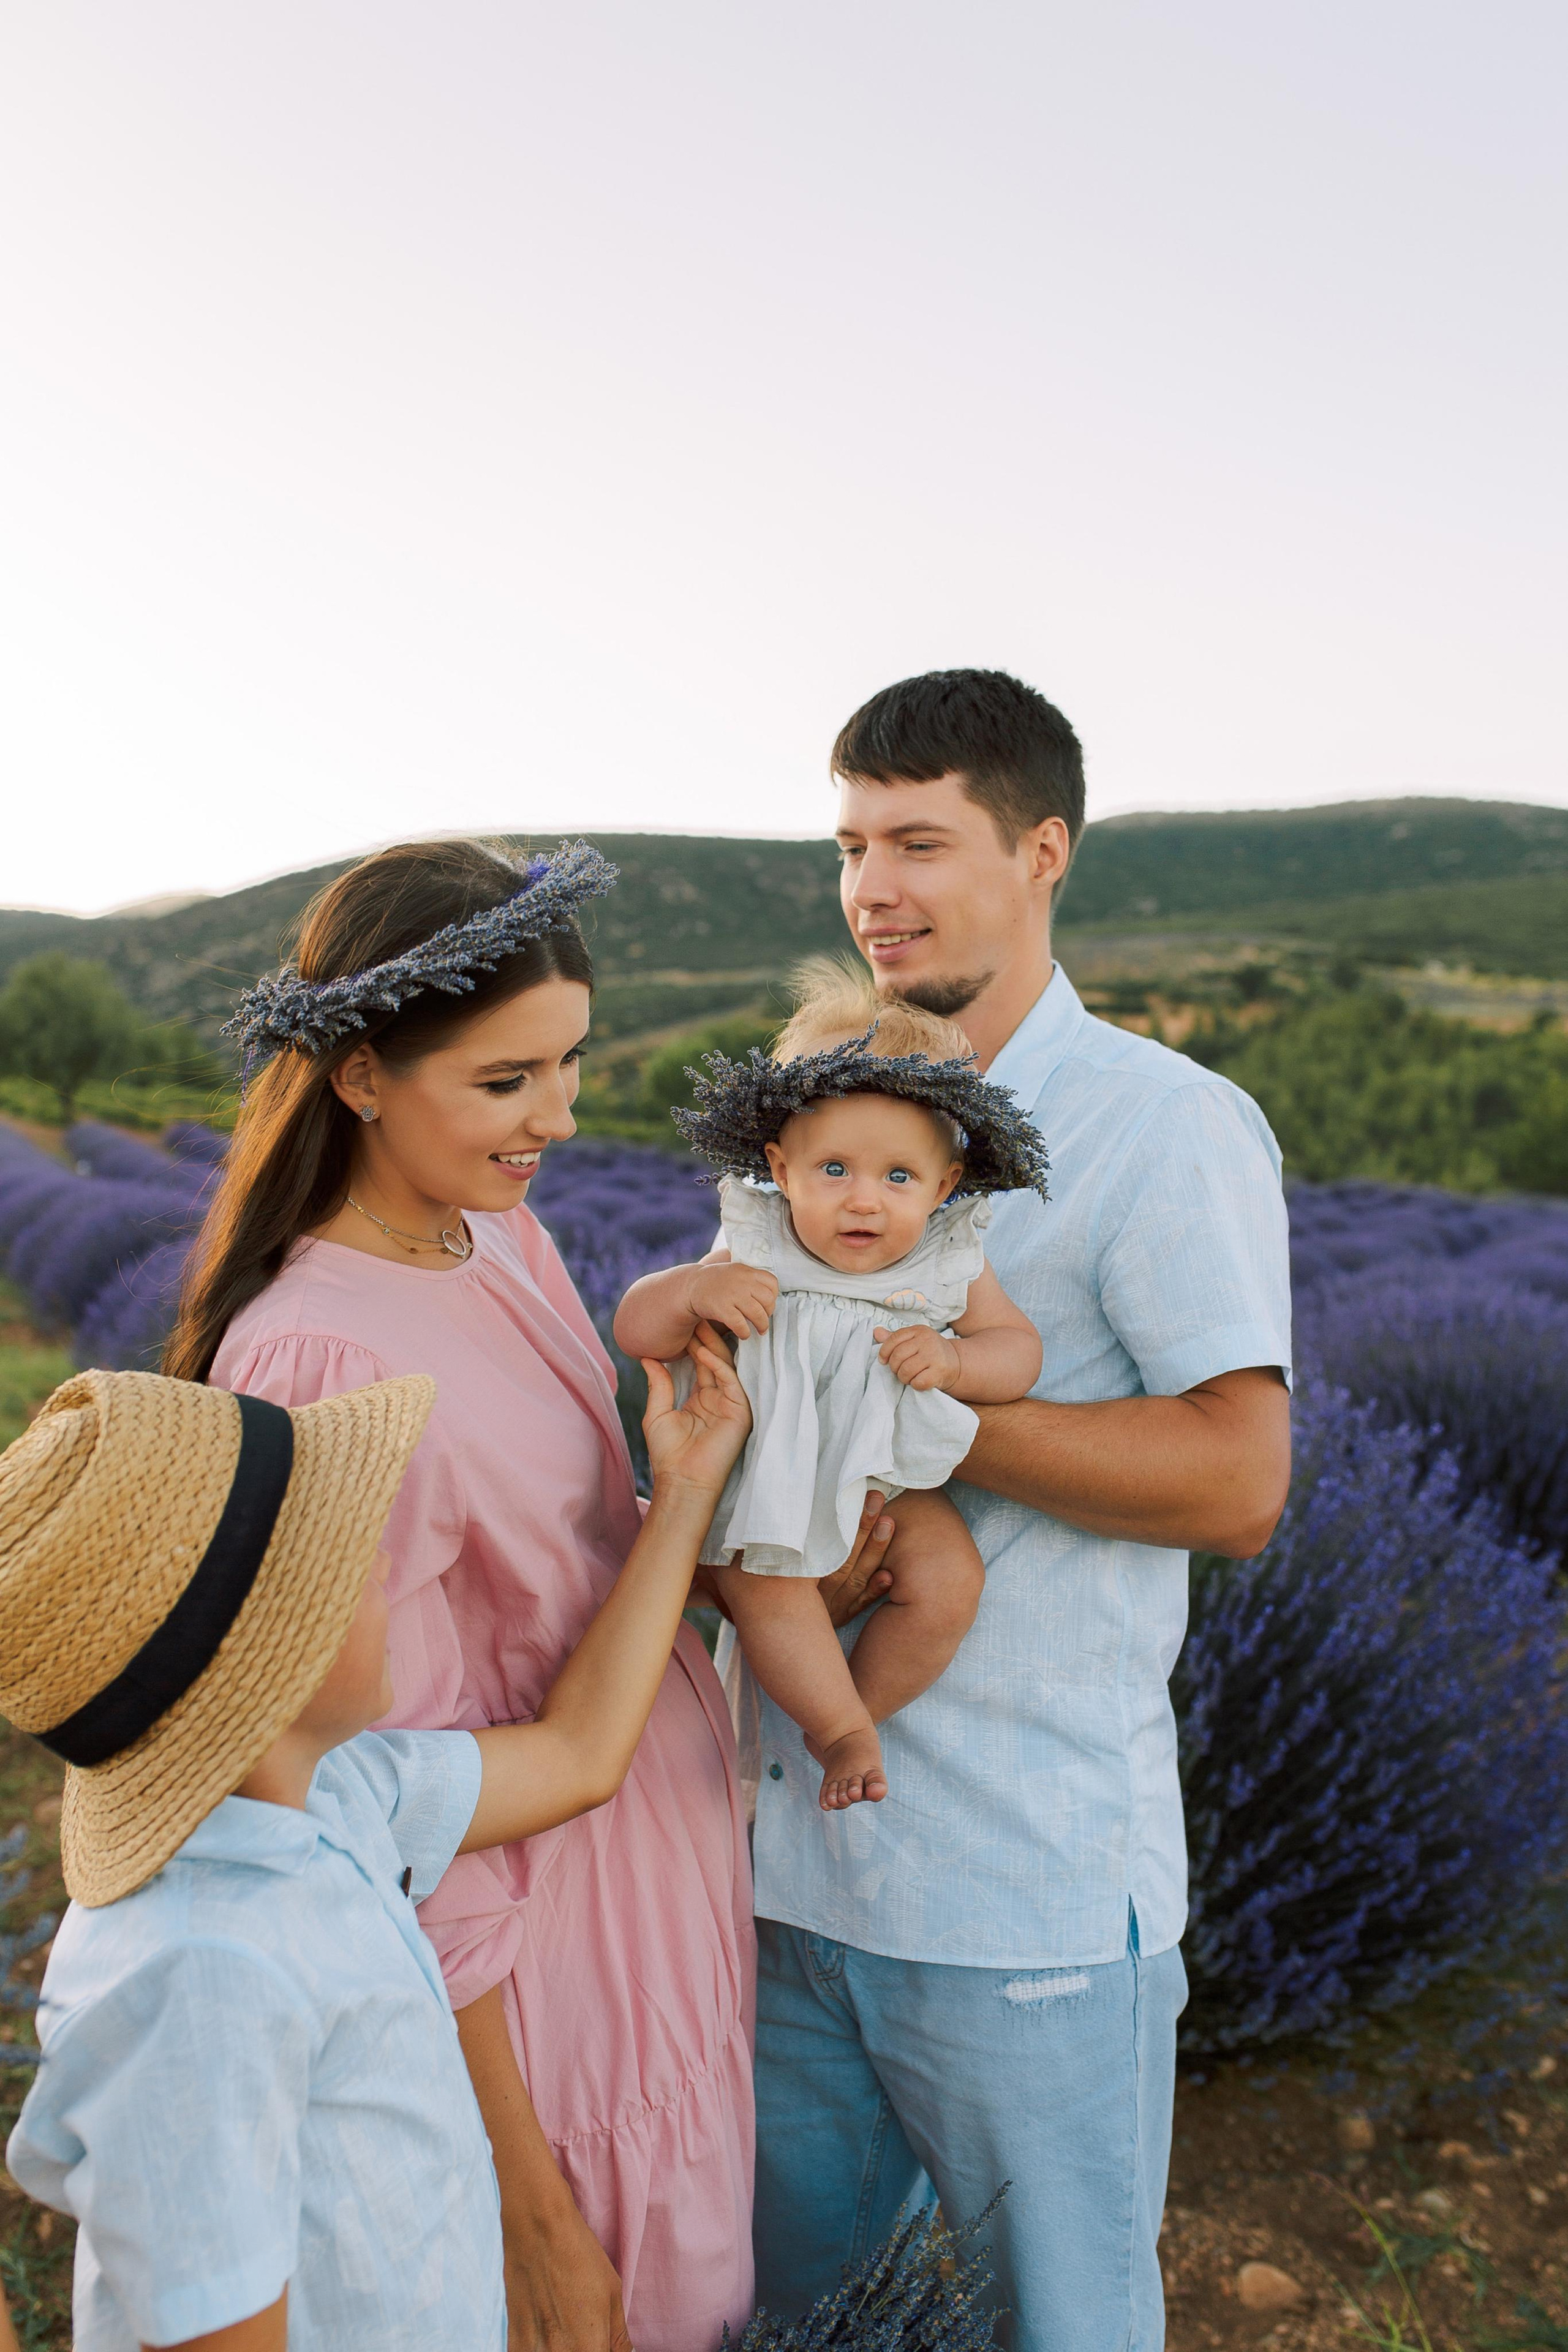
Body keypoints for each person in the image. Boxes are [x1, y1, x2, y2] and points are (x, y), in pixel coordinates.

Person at [163, 835, 893, 2352]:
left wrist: (709, 1513)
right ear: (361, 1076)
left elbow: (564, 1569)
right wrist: (533, 2221)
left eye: (567, 1063)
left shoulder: (496, 1234)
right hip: (541, 1969)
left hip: (653, 1880)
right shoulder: (322, 1361)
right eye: (506, 1080)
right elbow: (386, 1826)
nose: (557, 1116)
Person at [743, 671, 1294, 2351]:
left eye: (918, 842)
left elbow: (1237, 1480)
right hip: (774, 1873)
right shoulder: (806, 1112)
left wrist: (906, 1413)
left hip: (1014, 1893)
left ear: (1042, 851)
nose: (871, 887)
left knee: (1062, 2327)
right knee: (805, 2323)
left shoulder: (1161, 1125)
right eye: (850, 845)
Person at [2, 1341, 750, 2348]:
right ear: (266, 1657)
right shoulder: (200, 1977)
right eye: (351, 1559)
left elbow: (578, 1752)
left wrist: (688, 1489)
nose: (391, 1568)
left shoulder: (333, 1795)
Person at [616, 967, 1044, 1810]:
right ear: (782, 1168)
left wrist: (956, 1364)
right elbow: (636, 1327)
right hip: (770, 1480)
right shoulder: (758, 1244)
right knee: (767, 1590)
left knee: (949, 1581)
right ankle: (836, 1727)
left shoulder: (948, 1261)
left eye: (898, 1178)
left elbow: (1017, 1351)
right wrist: (695, 1292)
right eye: (835, 1169)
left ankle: (859, 1713)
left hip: (886, 1477)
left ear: (945, 1185)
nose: (864, 1203)